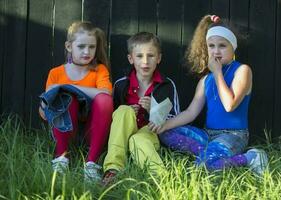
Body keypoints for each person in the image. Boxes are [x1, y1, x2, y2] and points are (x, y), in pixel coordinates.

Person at [149, 15, 268, 175]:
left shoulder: (242, 70)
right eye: (211, 46)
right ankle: (211, 154)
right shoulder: (206, 79)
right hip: (207, 135)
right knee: (166, 133)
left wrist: (218, 73)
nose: (216, 51)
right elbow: (190, 113)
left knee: (204, 166)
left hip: (233, 135)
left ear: (233, 47)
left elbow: (229, 105)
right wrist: (163, 125)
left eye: (222, 46)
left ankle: (250, 157)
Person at [102, 32, 180, 185]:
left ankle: (162, 178)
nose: (145, 61)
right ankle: (113, 169)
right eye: (139, 56)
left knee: (137, 139)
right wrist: (127, 109)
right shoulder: (121, 84)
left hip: (150, 134)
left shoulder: (166, 85)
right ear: (131, 59)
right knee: (123, 111)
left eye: (151, 56)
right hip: (124, 132)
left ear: (158, 58)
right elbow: (112, 118)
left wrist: (154, 109)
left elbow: (175, 118)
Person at [39, 21, 113, 182]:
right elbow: (45, 110)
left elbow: (106, 93)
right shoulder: (56, 73)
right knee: (64, 95)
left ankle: (91, 164)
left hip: (91, 132)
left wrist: (68, 87)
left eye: (92, 47)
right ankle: (61, 159)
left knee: (104, 100)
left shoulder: (99, 70)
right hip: (65, 132)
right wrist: (49, 100)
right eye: (81, 47)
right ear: (68, 46)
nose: (87, 51)